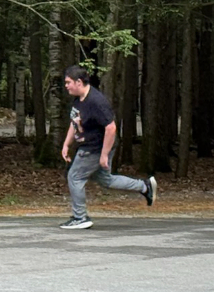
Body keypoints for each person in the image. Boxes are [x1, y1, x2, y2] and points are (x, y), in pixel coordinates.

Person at [59, 65, 156, 230]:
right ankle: (144, 186)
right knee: (106, 180)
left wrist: (104, 155)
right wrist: (66, 144)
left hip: (94, 148)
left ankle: (80, 217)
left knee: (75, 177)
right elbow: (75, 121)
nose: (66, 85)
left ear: (79, 82)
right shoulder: (78, 99)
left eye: (68, 82)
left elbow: (111, 128)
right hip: (90, 145)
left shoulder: (96, 101)